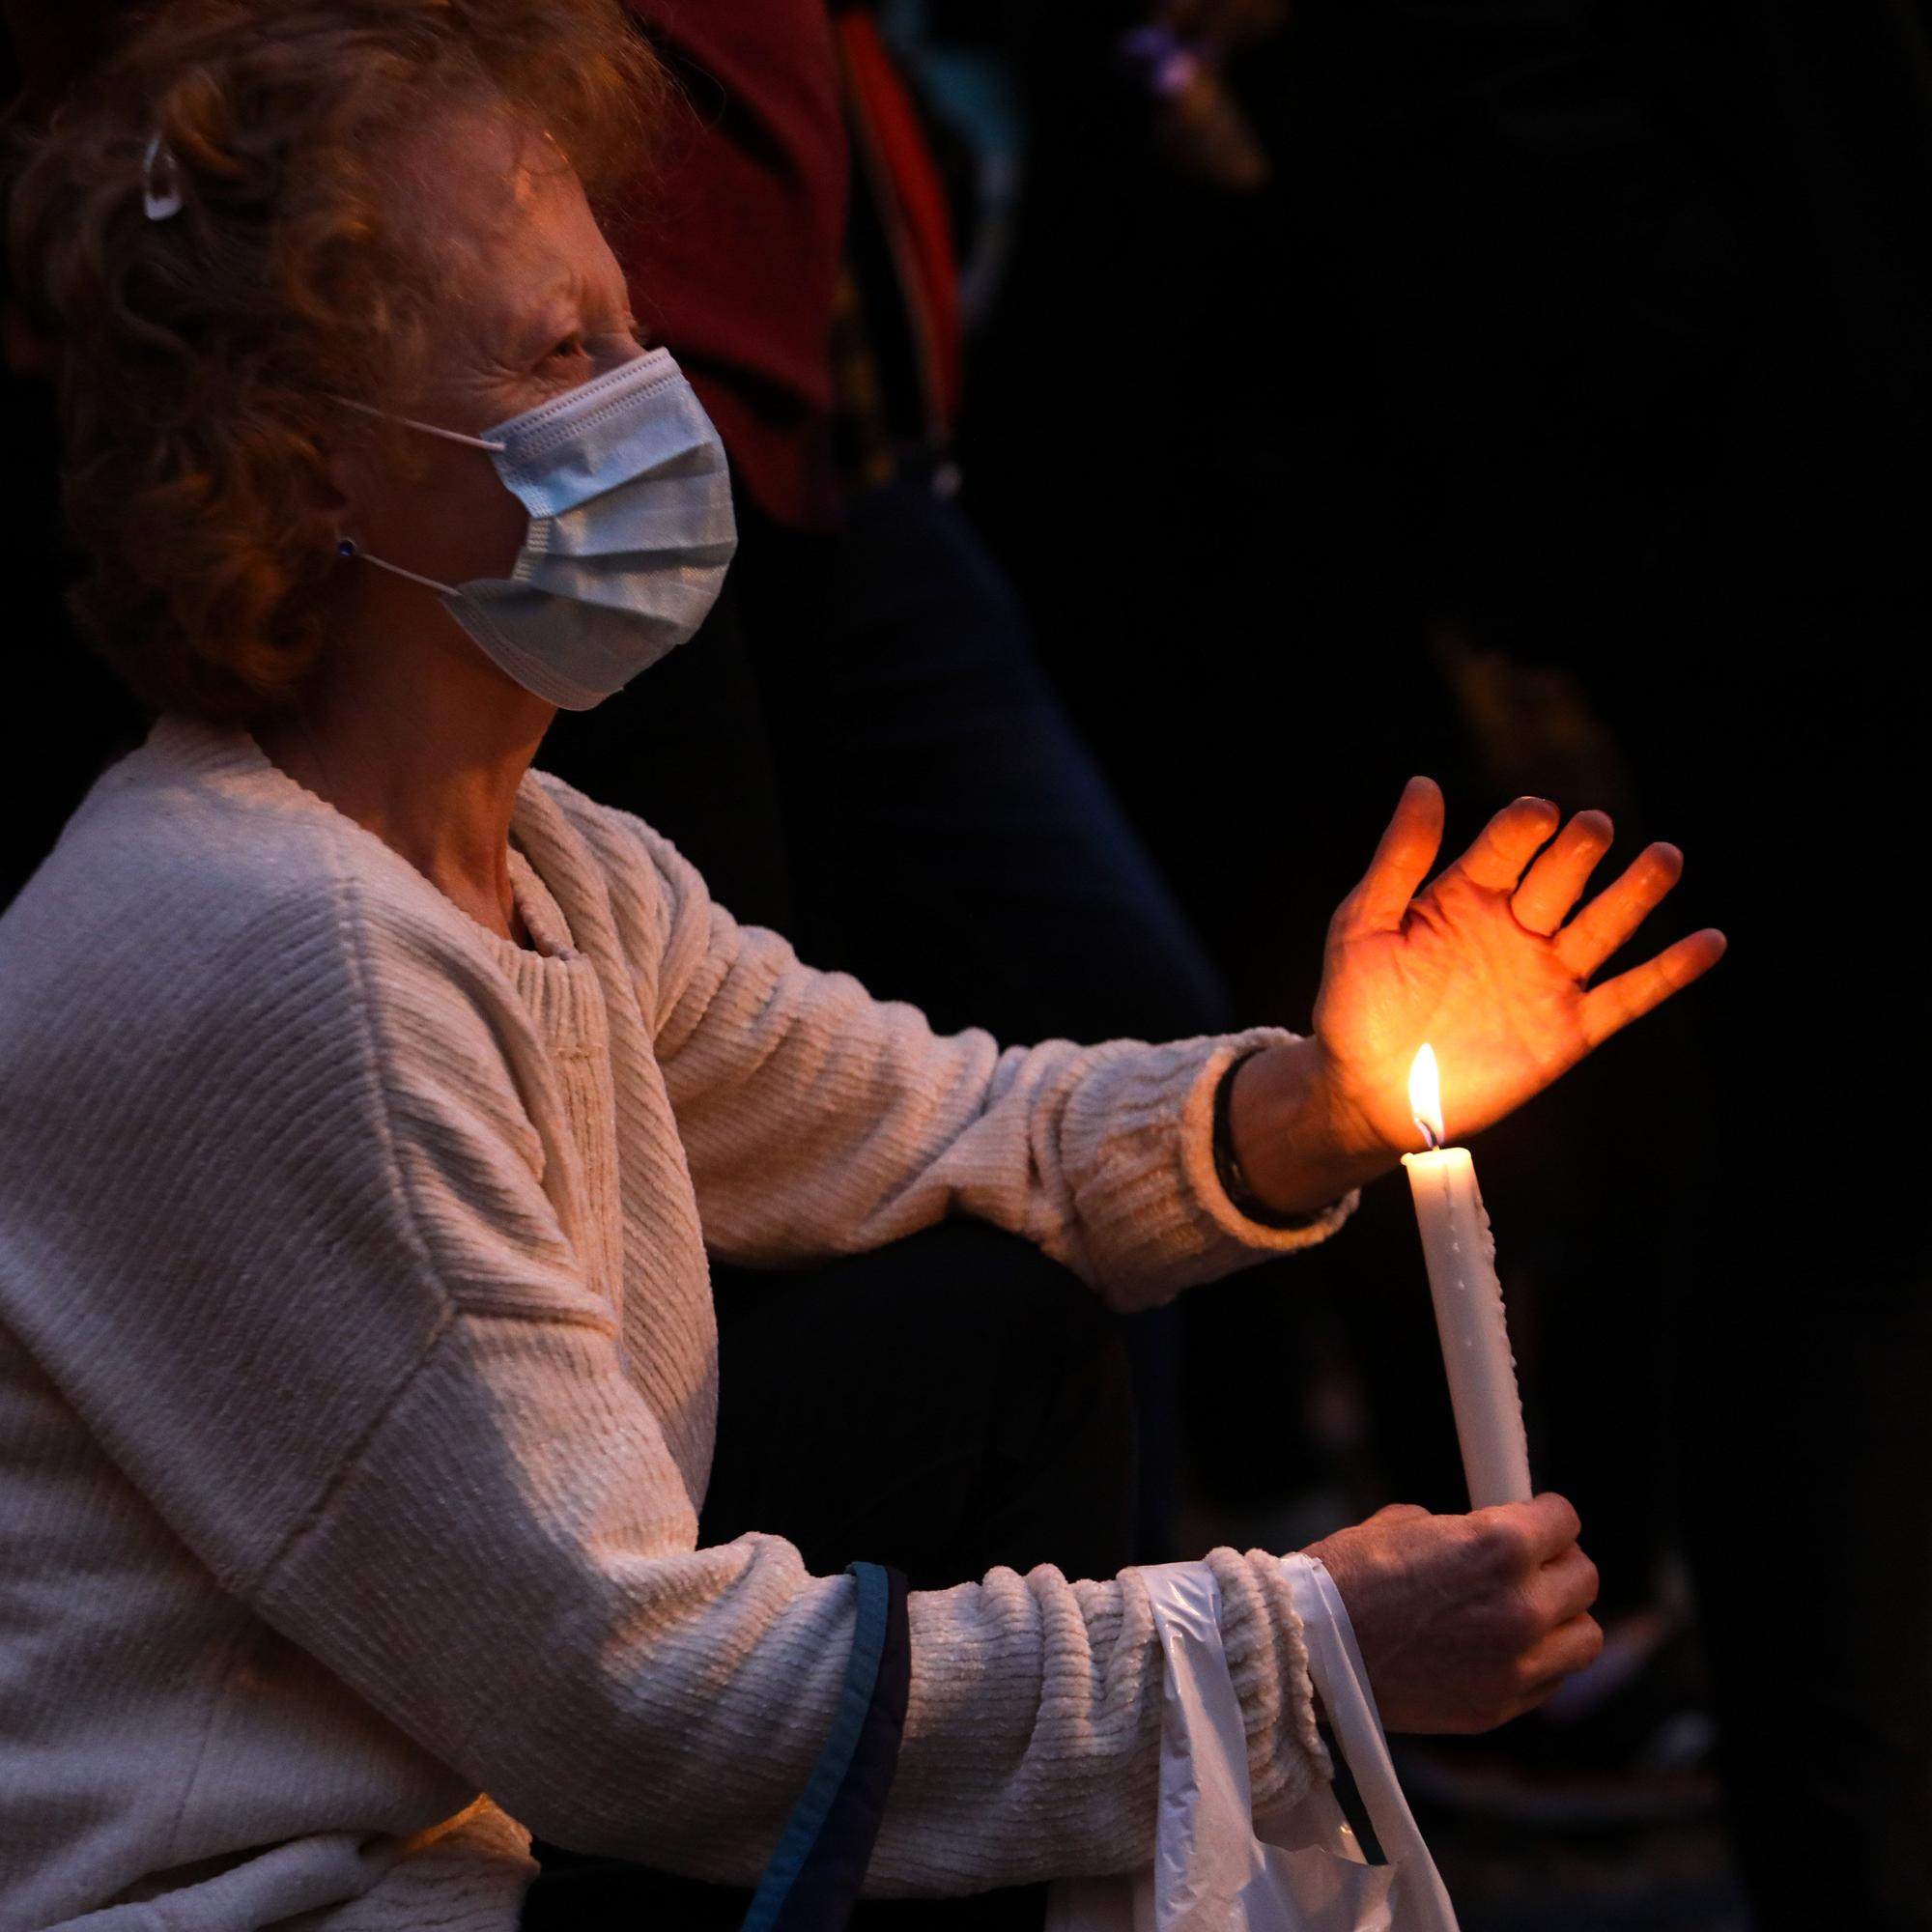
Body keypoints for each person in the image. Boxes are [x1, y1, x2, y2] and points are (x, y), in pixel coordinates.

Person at [0, 1, 1723, 1925]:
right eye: (559, 351)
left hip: (474, 1856)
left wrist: (1312, 1103)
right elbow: (627, 1696)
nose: (653, 402)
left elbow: (954, 1134)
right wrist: (1296, 1644)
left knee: (984, 1330)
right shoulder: (279, 950)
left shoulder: (555, 869)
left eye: (635, 326)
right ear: (309, 466)